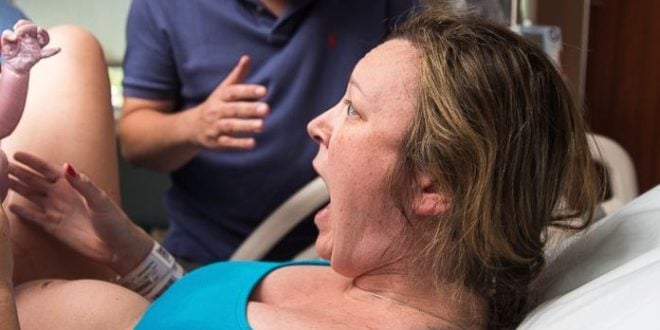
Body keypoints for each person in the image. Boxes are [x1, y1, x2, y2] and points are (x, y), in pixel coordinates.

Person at [2, 9, 600, 329]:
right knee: (70, 50)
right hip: (125, 285)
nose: (315, 122)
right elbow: (199, 308)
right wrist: (131, 255)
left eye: (353, 109)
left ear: (433, 185)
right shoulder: (366, 274)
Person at [119, 0, 419, 264]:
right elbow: (134, 142)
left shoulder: (385, 7)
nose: (316, 127)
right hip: (207, 250)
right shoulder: (163, 7)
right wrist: (194, 126)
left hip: (352, 246)